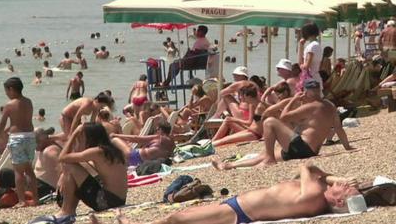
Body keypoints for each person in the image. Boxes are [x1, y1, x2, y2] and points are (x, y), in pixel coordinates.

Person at [101, 164, 359, 224]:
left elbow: (304, 167)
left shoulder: (314, 192)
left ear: (337, 201)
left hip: (236, 212)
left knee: (176, 219)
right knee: (180, 219)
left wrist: (332, 177)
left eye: (343, 189)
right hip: (238, 207)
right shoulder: (313, 196)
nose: (341, 184)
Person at [213, 79, 354, 170]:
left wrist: (293, 100)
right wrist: (347, 147)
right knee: (262, 155)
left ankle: (269, 160)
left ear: (307, 91)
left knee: (269, 122)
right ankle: (229, 165)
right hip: (309, 151)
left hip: (302, 147)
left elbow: (283, 117)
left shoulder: (310, 107)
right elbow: (339, 129)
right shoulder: (330, 105)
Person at [49, 123, 127, 222]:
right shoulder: (109, 150)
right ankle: (68, 209)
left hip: (106, 202)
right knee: (70, 166)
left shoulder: (97, 151)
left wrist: (73, 135)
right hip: (117, 200)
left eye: (81, 137)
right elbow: (78, 162)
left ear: (90, 138)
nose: (80, 140)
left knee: (68, 165)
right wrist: (63, 175)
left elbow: (62, 158)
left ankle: (67, 210)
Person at [0, 77, 38, 207]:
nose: (7, 94)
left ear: (12, 89)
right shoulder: (28, 102)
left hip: (18, 139)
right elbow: (21, 121)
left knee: (18, 171)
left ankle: (22, 201)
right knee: (29, 170)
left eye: (7, 91)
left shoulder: (9, 105)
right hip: (30, 137)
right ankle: (35, 199)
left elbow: (1, 125)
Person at [111, 121, 175, 167]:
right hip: (141, 160)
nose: (156, 132)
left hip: (134, 157)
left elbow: (136, 139)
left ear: (160, 130)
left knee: (115, 139)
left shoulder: (158, 137)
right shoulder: (172, 142)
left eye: (156, 130)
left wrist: (115, 134)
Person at [298, 23, 323, 93]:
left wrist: (301, 65)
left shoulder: (312, 46)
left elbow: (306, 66)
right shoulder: (316, 45)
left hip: (310, 79)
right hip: (314, 76)